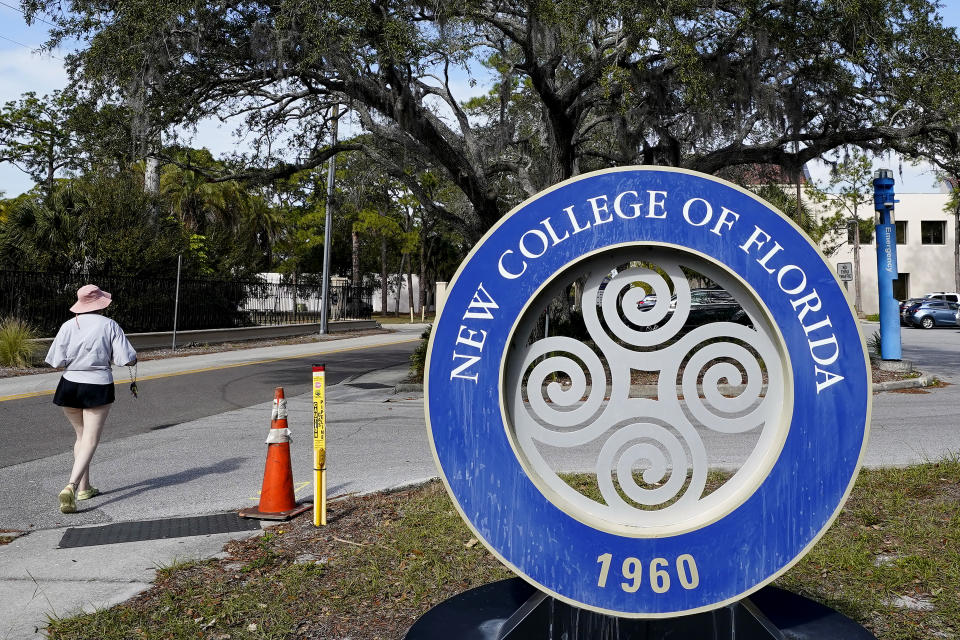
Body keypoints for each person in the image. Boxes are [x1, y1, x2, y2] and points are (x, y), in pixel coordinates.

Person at [45, 284, 137, 514]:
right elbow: (125, 358)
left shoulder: (68, 325)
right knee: (91, 439)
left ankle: (85, 487)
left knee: (81, 437)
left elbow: (55, 360)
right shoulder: (109, 325)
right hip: (97, 384)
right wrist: (133, 361)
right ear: (100, 303)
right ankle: (71, 486)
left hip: (69, 384)